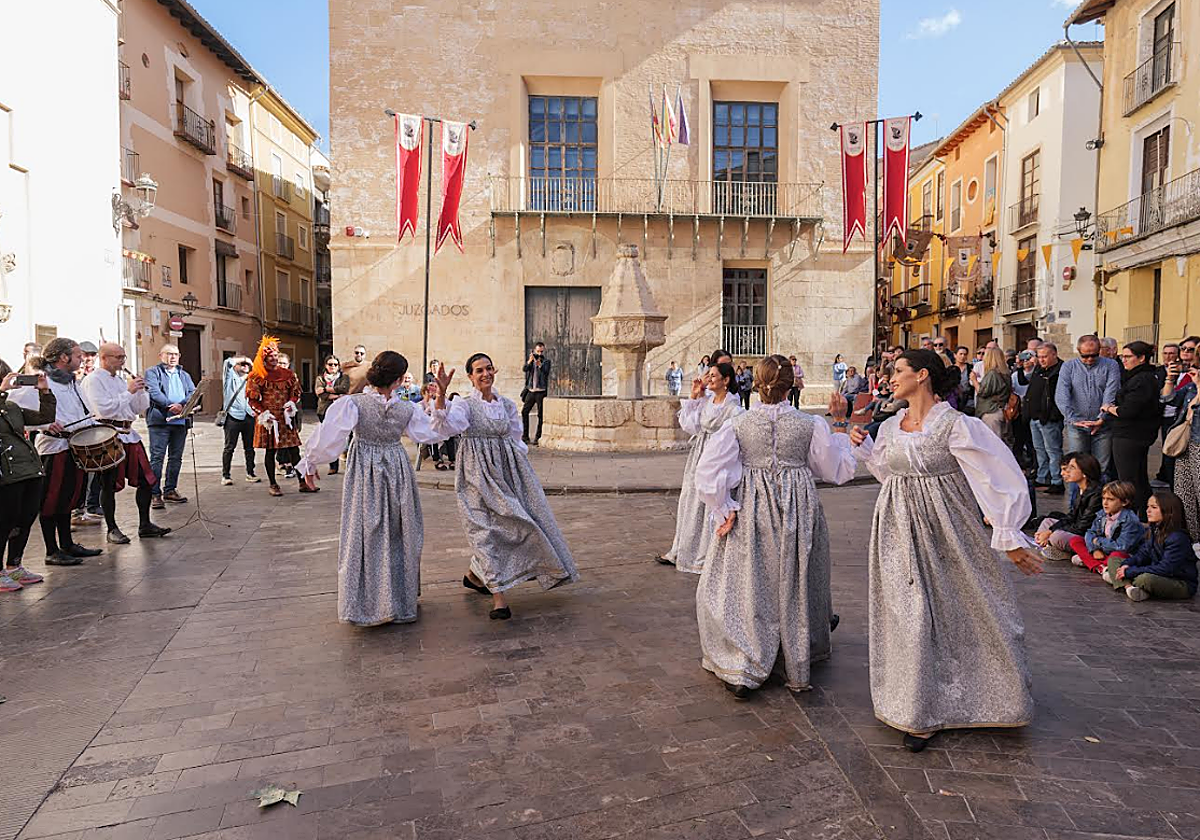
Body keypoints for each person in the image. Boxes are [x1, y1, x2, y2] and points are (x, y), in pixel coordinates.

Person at [849, 349, 1042, 752]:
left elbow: (995, 475)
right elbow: (889, 474)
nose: (890, 377)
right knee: (911, 612)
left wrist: (1008, 535)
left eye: (898, 371)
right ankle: (919, 711)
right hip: (898, 528)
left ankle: (986, 697)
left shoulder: (957, 425)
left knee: (966, 606)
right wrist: (864, 446)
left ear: (922, 376)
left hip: (949, 528)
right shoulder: (890, 428)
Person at [694, 357, 856, 698]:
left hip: (753, 506)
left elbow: (708, 473)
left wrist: (724, 509)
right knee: (796, 574)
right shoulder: (811, 424)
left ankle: (748, 656)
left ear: (757, 384)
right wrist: (840, 425)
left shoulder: (739, 424)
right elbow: (835, 470)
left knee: (753, 577)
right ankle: (792, 651)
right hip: (799, 506)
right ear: (791, 386)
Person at [298, 351, 449, 625]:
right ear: (401, 379)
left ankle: (369, 603)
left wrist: (309, 464)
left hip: (366, 469)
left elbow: (330, 436)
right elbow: (433, 433)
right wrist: (441, 402)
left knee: (366, 531)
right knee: (399, 530)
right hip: (396, 466)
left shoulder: (353, 404)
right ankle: (395, 600)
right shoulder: (406, 407)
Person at [430, 353, 579, 620]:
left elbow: (516, 439)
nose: (485, 374)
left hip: (506, 472)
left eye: (488, 368)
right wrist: (441, 395)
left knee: (516, 523)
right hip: (475, 474)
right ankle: (499, 598)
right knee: (484, 531)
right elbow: (444, 427)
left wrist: (523, 475)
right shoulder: (464, 406)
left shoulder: (507, 405)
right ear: (470, 377)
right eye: (479, 370)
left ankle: (475, 576)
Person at [655, 362, 744, 573]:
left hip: (719, 457)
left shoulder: (734, 408)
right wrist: (694, 395)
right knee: (692, 500)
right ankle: (689, 550)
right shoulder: (707, 402)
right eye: (709, 375)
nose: (709, 378)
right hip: (699, 456)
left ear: (726, 380)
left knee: (711, 502)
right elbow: (690, 426)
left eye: (714, 375)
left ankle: (709, 555)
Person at [80, 344, 172, 544]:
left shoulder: (121, 381)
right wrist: (129, 391)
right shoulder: (93, 380)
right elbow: (104, 410)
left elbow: (138, 408)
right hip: (108, 435)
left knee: (147, 480)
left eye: (124, 356)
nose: (123, 361)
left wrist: (139, 391)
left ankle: (145, 524)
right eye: (118, 357)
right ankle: (112, 528)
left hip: (129, 434)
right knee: (109, 484)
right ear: (104, 358)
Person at [30, 338, 103, 566]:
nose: (82, 359)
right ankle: (52, 551)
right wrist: (44, 424)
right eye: (78, 355)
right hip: (55, 449)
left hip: (75, 447)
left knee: (69, 498)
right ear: (63, 357)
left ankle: (67, 544)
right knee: (51, 499)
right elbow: (25, 411)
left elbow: (84, 410)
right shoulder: (42, 380)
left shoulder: (73, 382)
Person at [0, 361, 54, 590]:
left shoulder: (11, 407)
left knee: (25, 518)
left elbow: (45, 417)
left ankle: (15, 565)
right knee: (4, 522)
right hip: (7, 473)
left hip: (29, 469)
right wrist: (1, 391)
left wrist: (44, 391)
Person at [1056, 335, 1119, 499]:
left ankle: (1102, 508)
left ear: (1100, 351)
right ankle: (1074, 508)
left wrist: (1101, 418)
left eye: (1094, 355)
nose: (1090, 359)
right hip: (1076, 425)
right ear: (1078, 351)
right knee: (1075, 468)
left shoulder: (1111, 365)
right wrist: (1072, 419)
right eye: (1085, 355)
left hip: (1103, 425)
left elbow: (1111, 392)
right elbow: (1062, 395)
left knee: (1102, 468)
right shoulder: (1069, 366)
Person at [1102, 341, 1161, 516]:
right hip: (1131, 434)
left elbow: (1129, 410)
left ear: (1141, 358)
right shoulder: (1138, 376)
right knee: (1137, 477)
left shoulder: (1143, 379)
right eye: (1123, 356)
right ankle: (1144, 512)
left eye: (1128, 357)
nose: (1124, 360)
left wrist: (1109, 408)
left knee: (1129, 479)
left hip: (1131, 435)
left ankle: (1135, 515)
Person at [1103, 491, 1195, 601]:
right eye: (1148, 507)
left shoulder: (1178, 538)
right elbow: (1142, 554)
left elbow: (1165, 569)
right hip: (1155, 571)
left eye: (1154, 507)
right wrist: (1127, 565)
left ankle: (1119, 580)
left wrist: (1130, 571)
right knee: (1114, 560)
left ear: (1168, 512)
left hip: (1178, 582)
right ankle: (1129, 588)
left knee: (1145, 579)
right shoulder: (1154, 530)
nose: (1148, 511)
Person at [246, 336, 306, 497]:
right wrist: (264, 414)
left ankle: (302, 482)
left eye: (275, 355)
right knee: (270, 452)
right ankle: (273, 484)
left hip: (286, 417)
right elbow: (252, 399)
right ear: (264, 358)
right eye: (270, 356)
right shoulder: (256, 375)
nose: (273, 358)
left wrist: (291, 404)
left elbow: (296, 393)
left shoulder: (288, 374)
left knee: (294, 451)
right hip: (269, 419)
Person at [144, 344, 195, 510]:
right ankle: (154, 493)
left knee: (176, 457)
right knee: (157, 457)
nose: (173, 357)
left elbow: (192, 392)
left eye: (175, 354)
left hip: (180, 422)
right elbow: (154, 392)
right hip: (161, 421)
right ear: (161, 355)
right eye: (169, 354)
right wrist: (169, 405)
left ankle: (170, 490)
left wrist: (182, 405)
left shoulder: (184, 374)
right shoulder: (152, 372)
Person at [1033, 453, 1103, 561]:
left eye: (1072, 468)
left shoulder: (1096, 494)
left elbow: (1082, 526)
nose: (1065, 472)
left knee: (1056, 536)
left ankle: (1064, 549)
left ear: (1084, 472)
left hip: (1087, 536)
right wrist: (1051, 529)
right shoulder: (1080, 489)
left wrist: (1051, 532)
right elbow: (1071, 516)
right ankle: (1050, 545)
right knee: (1047, 522)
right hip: (1075, 529)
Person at [1070, 480, 1143, 574]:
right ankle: (1100, 566)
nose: (1105, 503)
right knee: (1075, 540)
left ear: (1124, 502)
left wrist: (1097, 542)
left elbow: (1122, 546)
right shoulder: (1102, 514)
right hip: (1103, 550)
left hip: (1121, 553)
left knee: (1116, 556)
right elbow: (1090, 532)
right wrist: (1094, 549)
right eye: (1103, 498)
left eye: (1110, 499)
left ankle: (1091, 561)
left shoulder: (1130, 520)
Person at [1168, 356, 1200, 537]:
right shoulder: (1190, 386)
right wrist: (1170, 379)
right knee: (1184, 493)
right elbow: (1168, 399)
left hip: (1198, 444)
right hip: (1186, 444)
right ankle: (1193, 539)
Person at [1027, 343, 1065, 495]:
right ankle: (1043, 478)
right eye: (1039, 357)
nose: (1041, 360)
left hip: (1049, 418)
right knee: (1040, 450)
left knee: (1053, 450)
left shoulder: (1061, 371)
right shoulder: (1039, 369)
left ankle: (1057, 480)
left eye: (1044, 357)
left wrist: (1053, 415)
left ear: (1054, 355)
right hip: (1035, 417)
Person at [220, 356, 259, 485]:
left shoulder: (251, 380)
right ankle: (226, 475)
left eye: (247, 365)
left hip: (248, 416)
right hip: (233, 416)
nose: (245, 366)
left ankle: (250, 473)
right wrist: (244, 358)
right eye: (242, 364)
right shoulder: (230, 379)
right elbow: (227, 363)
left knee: (249, 447)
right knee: (229, 447)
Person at [314, 355, 350, 475]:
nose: (333, 367)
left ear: (338, 366)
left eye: (335, 364)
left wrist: (326, 389)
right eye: (330, 364)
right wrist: (337, 395)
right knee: (330, 440)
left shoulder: (344, 377)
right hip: (324, 411)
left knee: (341, 438)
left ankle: (346, 459)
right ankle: (333, 465)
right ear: (326, 366)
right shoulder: (320, 378)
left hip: (340, 411)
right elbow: (320, 394)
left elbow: (344, 388)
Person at [971, 345, 1011, 438]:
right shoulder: (1005, 372)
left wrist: (974, 380)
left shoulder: (993, 374)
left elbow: (982, 392)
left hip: (991, 411)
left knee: (992, 443)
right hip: (999, 409)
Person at [1010, 351, 1037, 470]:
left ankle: (1033, 460)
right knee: (1019, 437)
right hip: (1019, 409)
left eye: (1028, 358)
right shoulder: (1016, 375)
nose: (1026, 361)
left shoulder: (1037, 373)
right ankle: (1019, 459)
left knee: (1032, 438)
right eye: (1023, 359)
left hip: (1032, 409)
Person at [521, 342, 552, 446]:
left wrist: (540, 366)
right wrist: (530, 362)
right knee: (524, 412)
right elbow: (525, 369)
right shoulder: (531, 360)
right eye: (538, 351)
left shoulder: (546, 361)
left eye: (541, 351)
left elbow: (546, 372)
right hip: (531, 391)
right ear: (534, 351)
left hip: (541, 391)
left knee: (540, 415)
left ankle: (538, 437)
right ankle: (525, 436)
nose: (539, 353)